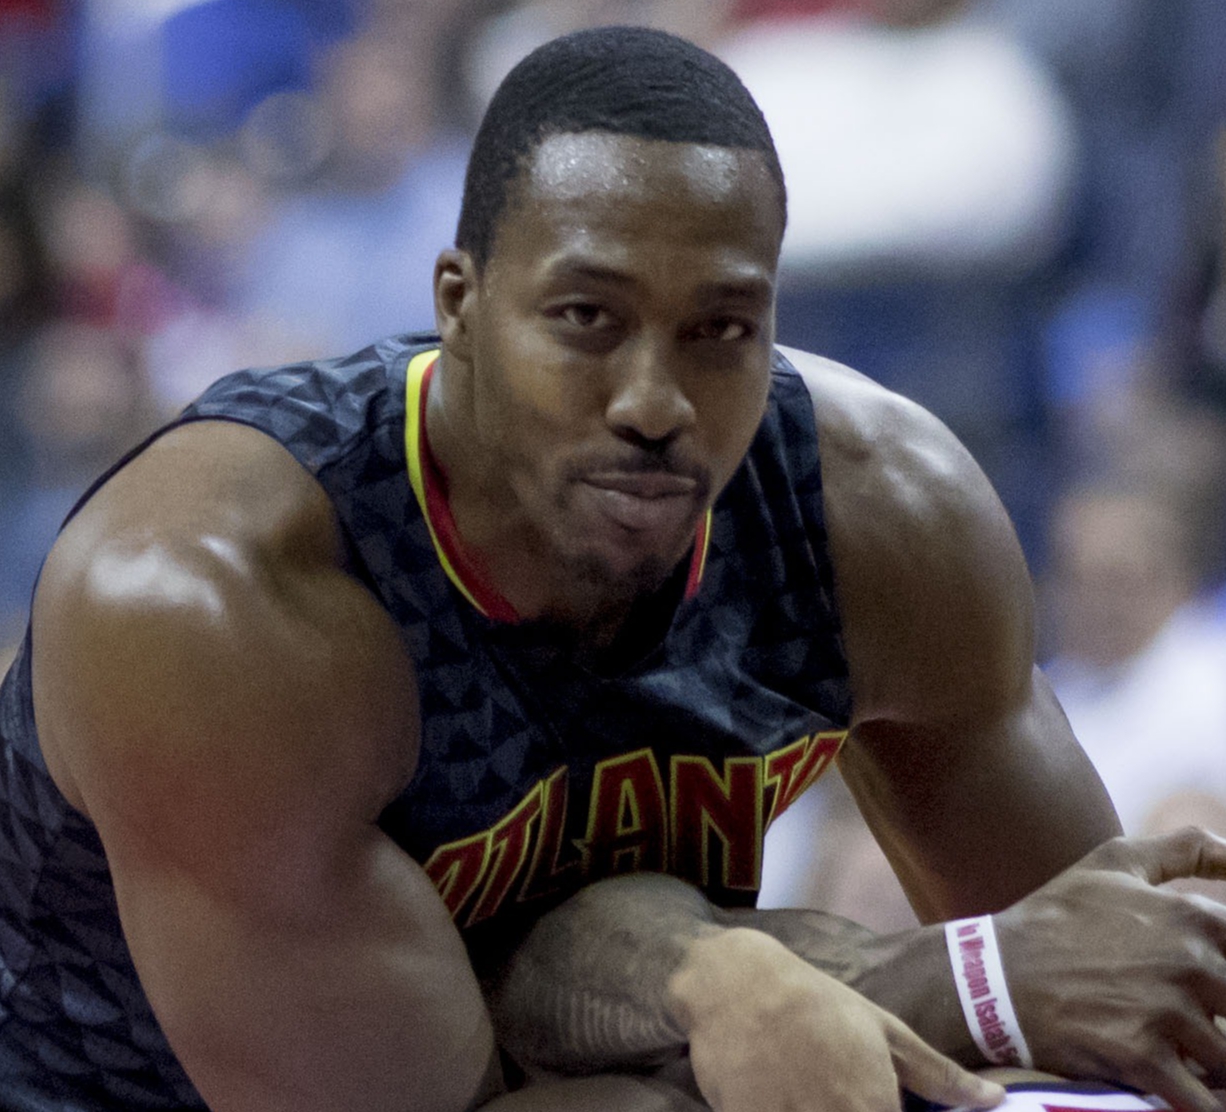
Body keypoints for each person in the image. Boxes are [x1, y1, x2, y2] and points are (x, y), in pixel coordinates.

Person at [3, 23, 1226, 1112]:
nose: (654, 401)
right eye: (587, 318)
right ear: (459, 305)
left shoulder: (880, 516)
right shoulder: (211, 596)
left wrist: (774, 982)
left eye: (720, 331)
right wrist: (942, 981)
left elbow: (1112, 980)